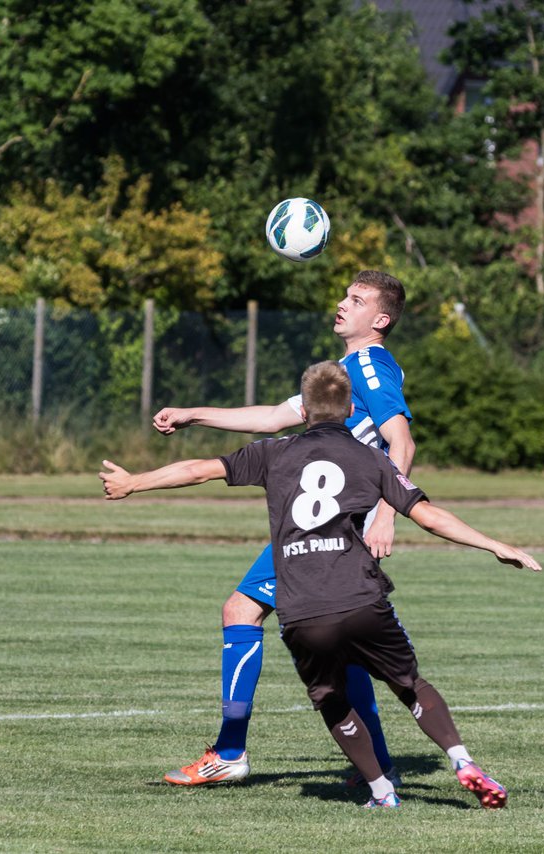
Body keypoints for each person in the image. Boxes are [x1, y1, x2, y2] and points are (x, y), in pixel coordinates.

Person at [102, 360, 541, 808]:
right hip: (358, 590)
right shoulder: (371, 458)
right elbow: (428, 515)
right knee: (408, 684)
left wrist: (134, 482)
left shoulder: (275, 450)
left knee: (323, 688)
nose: (341, 305)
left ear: (303, 410)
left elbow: (198, 469)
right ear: (351, 409)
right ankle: (459, 759)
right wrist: (493, 544)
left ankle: (376, 787)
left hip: (302, 602)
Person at [150, 270, 414, 787]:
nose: (341, 304)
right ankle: (378, 766)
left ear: (380, 320)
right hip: (336, 517)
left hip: (328, 520)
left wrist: (387, 515)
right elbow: (274, 417)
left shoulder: (368, 365)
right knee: (342, 640)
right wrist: (194, 414)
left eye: (356, 300)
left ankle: (229, 751)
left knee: (241, 609)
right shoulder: (349, 368)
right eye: (344, 295)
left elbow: (400, 442)